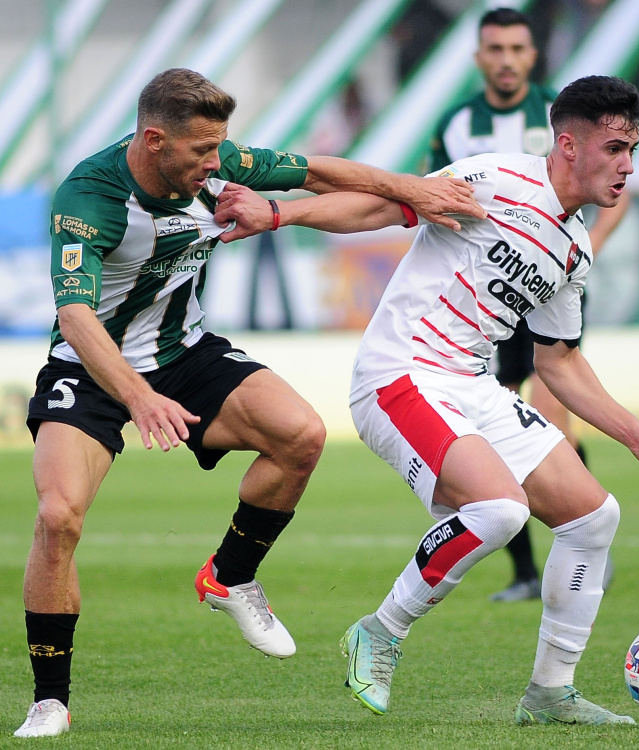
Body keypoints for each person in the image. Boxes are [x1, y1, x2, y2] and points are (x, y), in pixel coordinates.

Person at [14, 67, 483, 738]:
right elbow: (76, 316)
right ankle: (50, 701)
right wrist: (138, 396)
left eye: (219, 146)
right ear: (154, 141)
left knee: (301, 435)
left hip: (186, 354)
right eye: (202, 150)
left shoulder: (216, 161)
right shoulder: (89, 198)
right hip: (92, 369)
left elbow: (316, 172)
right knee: (58, 517)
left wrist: (413, 189)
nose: (217, 162)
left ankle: (230, 577)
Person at [218, 74, 639, 725]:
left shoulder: (574, 248)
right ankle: (380, 631)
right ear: (568, 145)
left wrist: (638, 437)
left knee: (593, 518)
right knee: (500, 510)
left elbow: (559, 361)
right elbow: (380, 208)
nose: (628, 166)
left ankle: (550, 693)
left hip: (471, 384)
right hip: (400, 373)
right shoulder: (493, 179)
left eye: (632, 150)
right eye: (614, 148)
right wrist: (279, 214)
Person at [429, 7, 628, 601]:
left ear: (532, 56)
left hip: (545, 289)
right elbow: (433, 195)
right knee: (495, 424)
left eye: (517, 49)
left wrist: (577, 257)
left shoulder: (562, 114)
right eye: (495, 49)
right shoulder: (455, 124)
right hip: (487, 298)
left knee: (552, 415)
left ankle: (586, 544)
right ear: (479, 58)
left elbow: (615, 193)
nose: (507, 60)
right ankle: (523, 573)